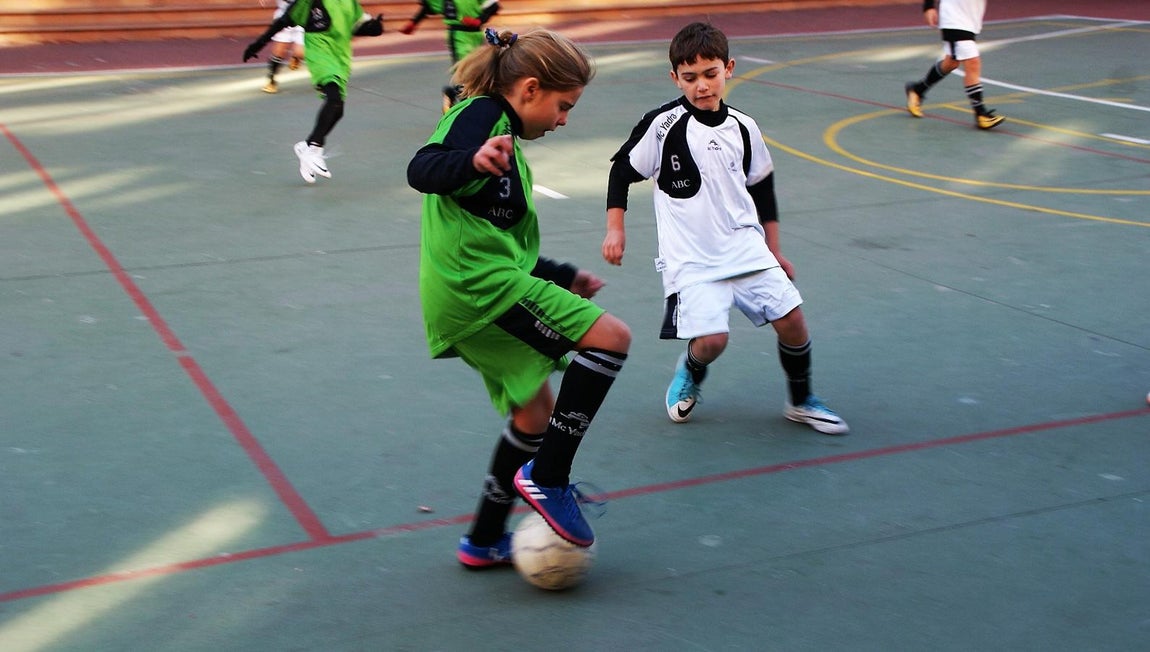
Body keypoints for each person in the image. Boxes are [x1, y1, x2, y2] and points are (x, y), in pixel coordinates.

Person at [407, 28, 631, 566]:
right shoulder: (481, 116)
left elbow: (495, 236)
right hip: (475, 288)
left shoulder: (502, 134)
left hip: (472, 284)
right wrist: (470, 160)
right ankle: (549, 478)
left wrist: (558, 274)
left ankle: (483, 540)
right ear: (530, 89)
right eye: (563, 106)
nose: (563, 119)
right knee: (611, 339)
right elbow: (421, 168)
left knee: (535, 416)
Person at [602, 22, 848, 436]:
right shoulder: (661, 125)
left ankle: (801, 400)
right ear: (674, 78)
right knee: (713, 341)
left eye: (710, 74)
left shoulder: (744, 127)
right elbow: (621, 173)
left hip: (745, 247)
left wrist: (774, 249)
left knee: (793, 320)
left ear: (728, 68)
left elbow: (762, 187)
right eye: (690, 77)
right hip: (692, 258)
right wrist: (615, 229)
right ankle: (691, 370)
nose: (701, 85)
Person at [243, 1, 385, 183]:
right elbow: (283, 21)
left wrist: (376, 27)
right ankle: (314, 147)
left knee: (338, 109)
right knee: (333, 99)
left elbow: (356, 27)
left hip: (340, 55)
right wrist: (257, 45)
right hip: (320, 52)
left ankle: (307, 147)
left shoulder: (349, 2)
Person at [904, 0, 1004, 130]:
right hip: (953, 17)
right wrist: (928, 6)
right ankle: (981, 114)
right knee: (973, 62)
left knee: (951, 62)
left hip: (969, 18)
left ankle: (917, 90)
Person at [398, 0, 501, 110]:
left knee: (478, 70)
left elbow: (493, 6)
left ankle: (452, 93)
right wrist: (414, 22)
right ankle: (466, 106)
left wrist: (479, 20)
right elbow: (429, 6)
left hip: (476, 35)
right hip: (458, 34)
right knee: (465, 70)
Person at [260, 0, 305, 94]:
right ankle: (271, 79)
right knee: (279, 52)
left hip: (302, 18)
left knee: (300, 52)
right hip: (283, 18)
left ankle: (297, 58)